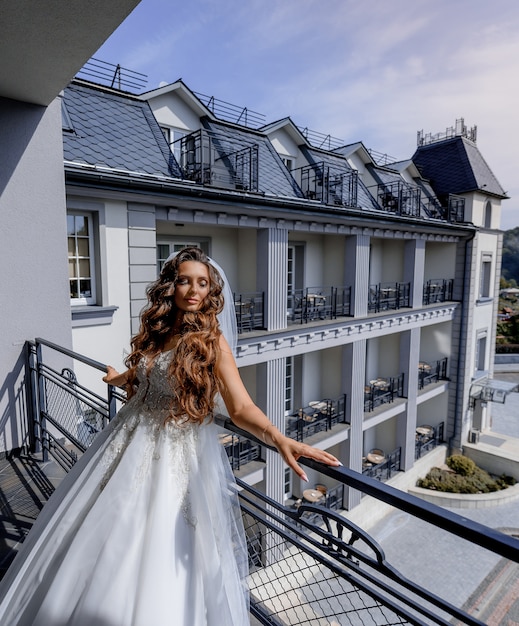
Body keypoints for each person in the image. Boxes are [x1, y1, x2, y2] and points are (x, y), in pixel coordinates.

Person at [0, 246, 341, 625]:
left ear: (210, 291)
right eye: (184, 281)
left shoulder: (212, 343)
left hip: (173, 451)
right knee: (98, 532)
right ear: (171, 286)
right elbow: (147, 371)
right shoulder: (159, 332)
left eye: (202, 283)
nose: (192, 290)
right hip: (125, 439)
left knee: (154, 541)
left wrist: (280, 440)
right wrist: (119, 378)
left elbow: (241, 408)